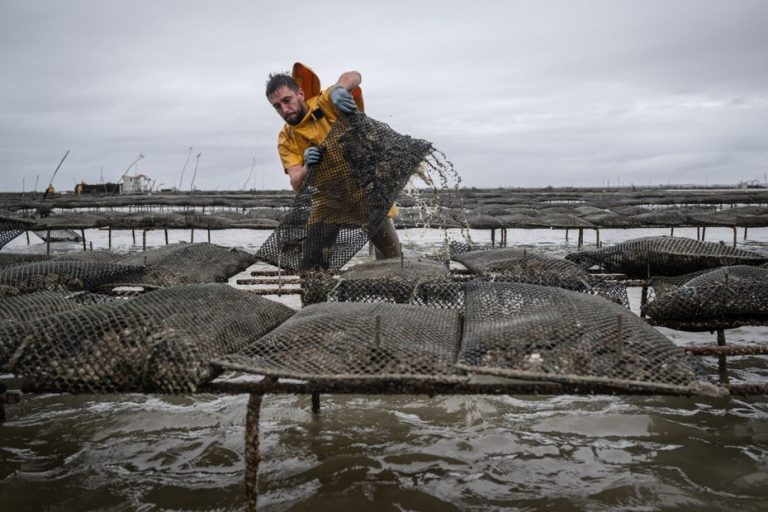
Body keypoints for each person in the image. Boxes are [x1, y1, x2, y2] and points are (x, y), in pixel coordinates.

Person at [265, 63, 401, 265]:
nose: (284, 109)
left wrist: (339, 90)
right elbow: (296, 183)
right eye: (277, 106)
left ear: (300, 93)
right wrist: (306, 168)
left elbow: (354, 75)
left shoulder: (325, 102)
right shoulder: (286, 138)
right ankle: (317, 296)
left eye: (287, 100)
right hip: (328, 200)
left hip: (365, 190)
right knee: (312, 263)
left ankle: (393, 290)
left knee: (392, 258)